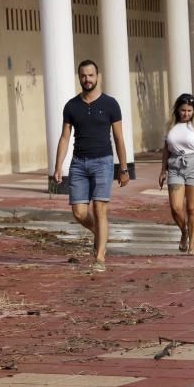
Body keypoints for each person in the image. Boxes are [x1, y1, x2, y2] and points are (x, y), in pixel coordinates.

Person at [53, 60, 129, 272]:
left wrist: (123, 168)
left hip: (103, 162)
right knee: (78, 213)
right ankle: (101, 234)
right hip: (78, 163)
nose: (87, 79)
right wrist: (58, 166)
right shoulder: (71, 106)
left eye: (91, 75)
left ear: (98, 76)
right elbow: (65, 137)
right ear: (79, 77)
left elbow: (119, 138)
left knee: (99, 208)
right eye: (83, 76)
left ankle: (100, 258)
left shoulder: (110, 104)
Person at [158, 93, 194, 255]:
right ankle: (184, 231)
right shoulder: (170, 126)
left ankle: (192, 246)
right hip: (175, 166)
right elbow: (166, 149)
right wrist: (163, 170)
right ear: (177, 110)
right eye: (183, 110)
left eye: (189, 111)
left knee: (191, 208)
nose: (186, 114)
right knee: (175, 208)